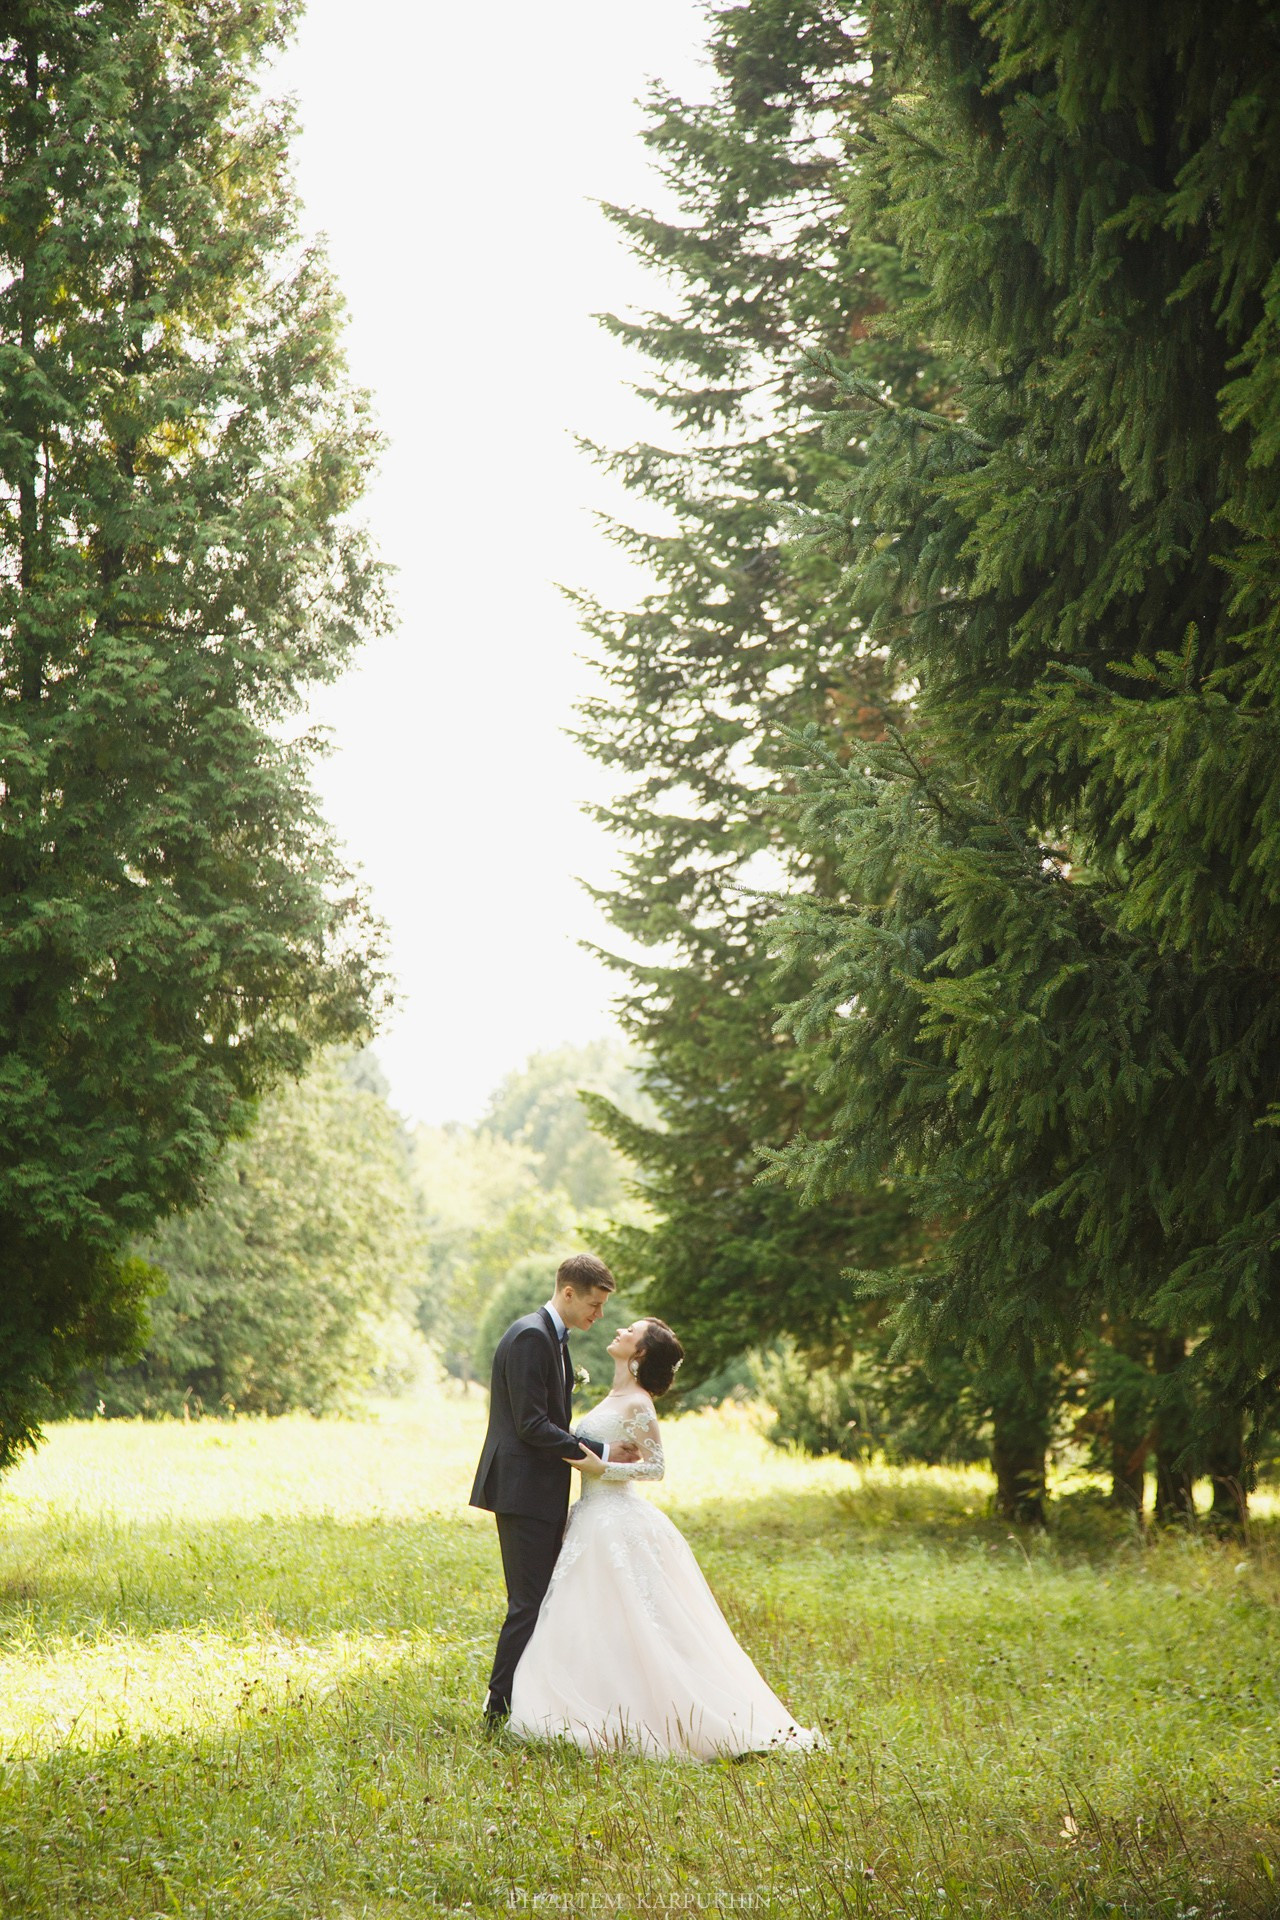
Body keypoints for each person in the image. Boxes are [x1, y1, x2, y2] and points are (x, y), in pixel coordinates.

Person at [508, 1315, 823, 1760]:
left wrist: (604, 1468)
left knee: (639, 1620)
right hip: (591, 1518)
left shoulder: (638, 1403)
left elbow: (656, 1468)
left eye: (630, 1332)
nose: (619, 1330)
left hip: (615, 1518)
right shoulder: (614, 1395)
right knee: (593, 1618)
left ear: (639, 1354)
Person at [469, 1252, 640, 1728]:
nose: (599, 1315)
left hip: (537, 1489)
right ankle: (497, 1711)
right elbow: (531, 1424)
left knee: (540, 1599)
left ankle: (524, 1702)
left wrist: (598, 1449)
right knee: (527, 1603)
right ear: (568, 1292)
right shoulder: (530, 1337)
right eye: (595, 1303)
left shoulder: (553, 1338)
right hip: (522, 1489)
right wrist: (598, 1453)